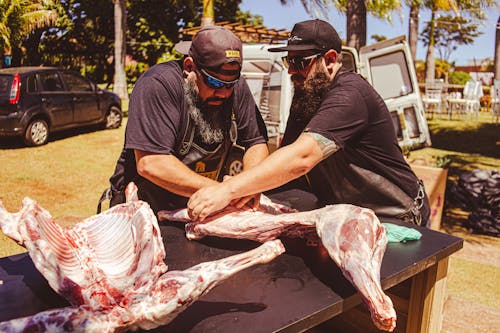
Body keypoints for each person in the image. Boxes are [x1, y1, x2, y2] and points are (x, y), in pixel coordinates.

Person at [187, 19, 430, 226]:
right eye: (288, 61)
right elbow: (287, 153)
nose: (292, 71)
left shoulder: (351, 94)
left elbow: (302, 157)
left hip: (396, 214)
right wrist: (248, 186)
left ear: (330, 59)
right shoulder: (307, 94)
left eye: (300, 62)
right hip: (349, 214)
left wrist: (230, 189)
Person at [106, 26, 269, 214]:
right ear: (189, 66)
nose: (224, 92)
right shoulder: (158, 84)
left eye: (230, 84)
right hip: (145, 208)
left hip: (203, 204)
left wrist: (248, 185)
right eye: (214, 83)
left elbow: (255, 142)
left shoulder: (235, 87)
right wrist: (225, 191)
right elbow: (151, 162)